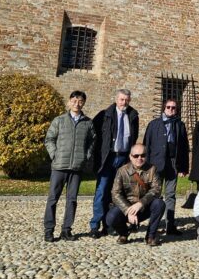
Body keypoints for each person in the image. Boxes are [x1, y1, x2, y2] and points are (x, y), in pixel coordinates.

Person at [43, 91, 96, 242]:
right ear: (69, 102)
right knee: (53, 199)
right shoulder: (59, 120)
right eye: (74, 100)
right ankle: (49, 230)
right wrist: (55, 155)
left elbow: (92, 141)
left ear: (83, 103)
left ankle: (66, 230)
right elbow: (49, 139)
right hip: (59, 166)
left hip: (76, 168)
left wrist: (86, 156)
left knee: (71, 200)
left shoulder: (88, 123)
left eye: (80, 101)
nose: (77, 104)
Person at [89, 88, 139, 238]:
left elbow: (134, 137)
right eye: (122, 99)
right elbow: (93, 135)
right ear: (116, 99)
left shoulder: (133, 115)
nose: (124, 102)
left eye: (127, 100)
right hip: (108, 158)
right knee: (102, 191)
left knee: (118, 192)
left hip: (123, 158)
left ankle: (111, 224)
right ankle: (95, 225)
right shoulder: (104, 114)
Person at [144, 98, 190, 236]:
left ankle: (170, 225)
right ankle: (154, 225)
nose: (171, 109)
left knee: (170, 195)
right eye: (169, 107)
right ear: (164, 108)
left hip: (173, 163)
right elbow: (147, 144)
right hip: (156, 164)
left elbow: (184, 147)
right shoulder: (153, 124)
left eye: (174, 108)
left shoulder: (180, 125)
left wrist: (183, 167)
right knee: (154, 195)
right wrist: (146, 166)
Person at [106, 144, 165, 246]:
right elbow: (115, 194)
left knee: (159, 204)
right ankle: (124, 233)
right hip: (127, 208)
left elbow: (157, 189)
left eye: (143, 155)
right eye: (136, 156)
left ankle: (150, 236)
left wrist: (141, 203)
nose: (139, 158)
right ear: (130, 156)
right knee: (110, 218)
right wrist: (128, 210)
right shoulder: (122, 171)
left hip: (144, 207)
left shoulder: (152, 169)